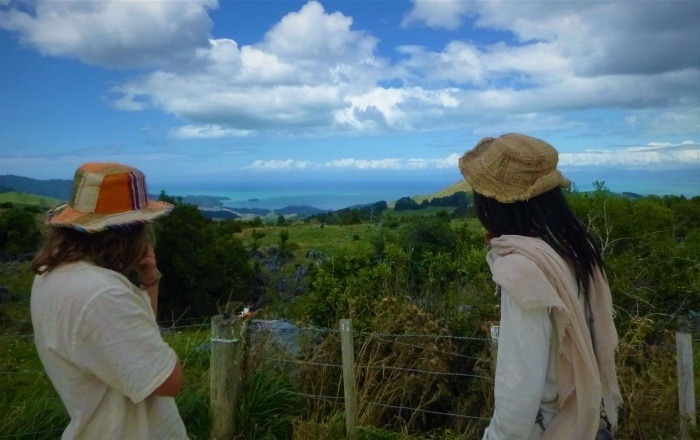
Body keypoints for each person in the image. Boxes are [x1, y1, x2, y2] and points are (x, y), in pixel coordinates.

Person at [458, 134, 622, 439]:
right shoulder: (571, 250)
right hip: (584, 420)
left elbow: (519, 387)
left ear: (495, 203)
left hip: (549, 428)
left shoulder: (523, 269)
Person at [30, 163, 188, 439]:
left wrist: (149, 278)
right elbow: (168, 381)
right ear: (127, 231)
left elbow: (128, 343)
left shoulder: (50, 275)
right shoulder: (101, 294)